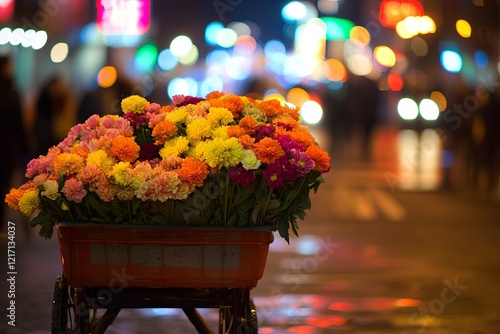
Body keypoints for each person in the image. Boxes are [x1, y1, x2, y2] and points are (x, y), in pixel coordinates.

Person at [0, 55, 29, 228]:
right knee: (3, 184)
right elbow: (18, 122)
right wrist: (25, 146)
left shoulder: (12, 90)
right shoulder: (11, 91)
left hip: (7, 147)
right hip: (7, 148)